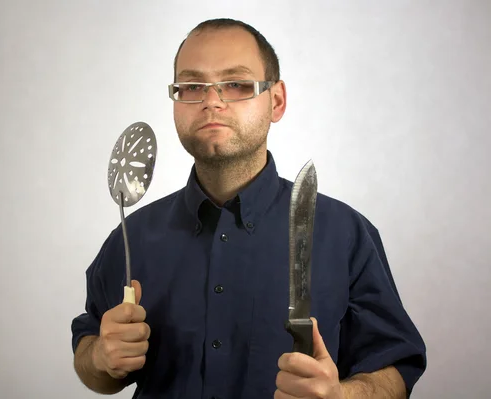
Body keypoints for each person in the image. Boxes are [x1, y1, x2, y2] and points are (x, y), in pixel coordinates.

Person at [71, 18, 426, 399]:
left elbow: (394, 369)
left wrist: (342, 396)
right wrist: (101, 358)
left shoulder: (344, 233)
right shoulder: (132, 237)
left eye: (237, 84)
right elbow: (92, 359)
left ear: (276, 101)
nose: (212, 101)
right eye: (192, 86)